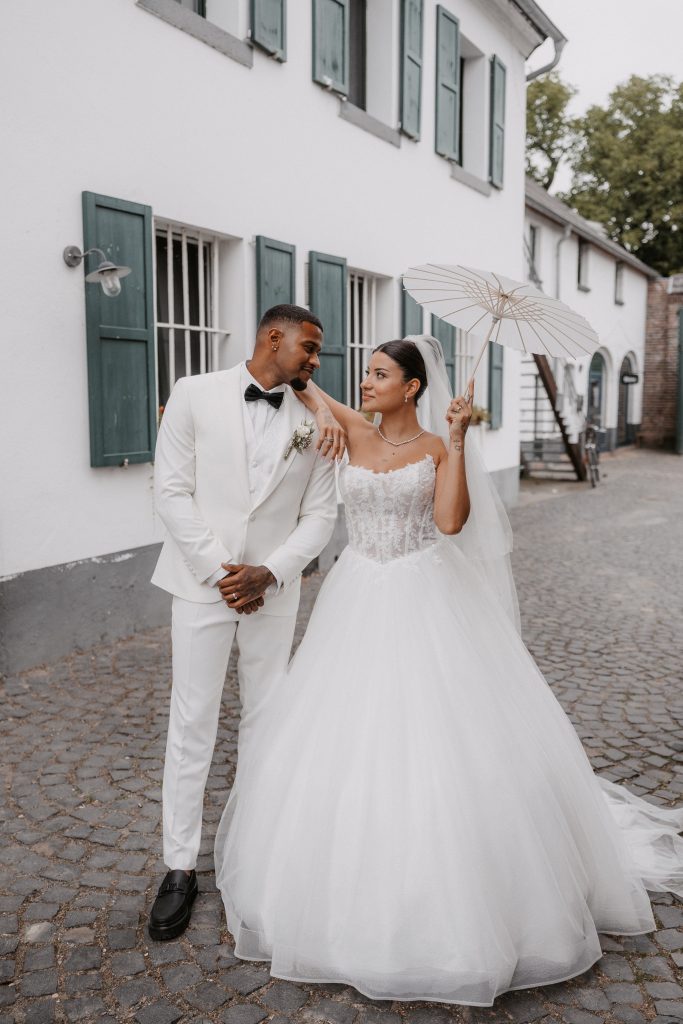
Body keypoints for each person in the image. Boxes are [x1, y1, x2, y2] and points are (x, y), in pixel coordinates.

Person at [213, 335, 683, 1007]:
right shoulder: (351, 425)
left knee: (440, 738)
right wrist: (316, 405)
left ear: (411, 387)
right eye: (366, 373)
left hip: (422, 593)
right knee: (346, 734)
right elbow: (296, 384)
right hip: (355, 598)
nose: (366, 382)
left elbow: (449, 521)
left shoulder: (435, 447)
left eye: (379, 374)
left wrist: (458, 441)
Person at [147, 304, 344, 941]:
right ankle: (179, 866)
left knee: (267, 717)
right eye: (309, 349)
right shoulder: (192, 394)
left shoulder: (317, 426)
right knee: (192, 722)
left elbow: (320, 517)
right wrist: (220, 572)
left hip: (273, 594)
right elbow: (170, 489)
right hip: (201, 587)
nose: (316, 362)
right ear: (272, 338)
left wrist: (270, 572)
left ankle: (255, 855)